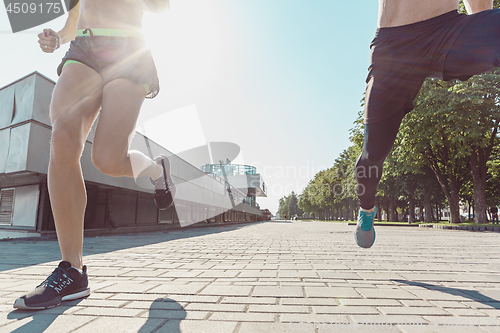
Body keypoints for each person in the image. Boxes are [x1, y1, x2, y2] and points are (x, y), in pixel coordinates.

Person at [13, 0, 175, 310]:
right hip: (84, 49)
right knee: (62, 138)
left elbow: (161, 7)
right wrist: (57, 38)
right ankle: (72, 270)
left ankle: (156, 170)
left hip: (128, 50)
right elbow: (75, 17)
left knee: (108, 160)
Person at [354, 0, 495, 248]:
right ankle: (366, 209)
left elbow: (481, 11)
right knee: (373, 153)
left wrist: (482, 33)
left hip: (447, 30)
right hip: (395, 46)